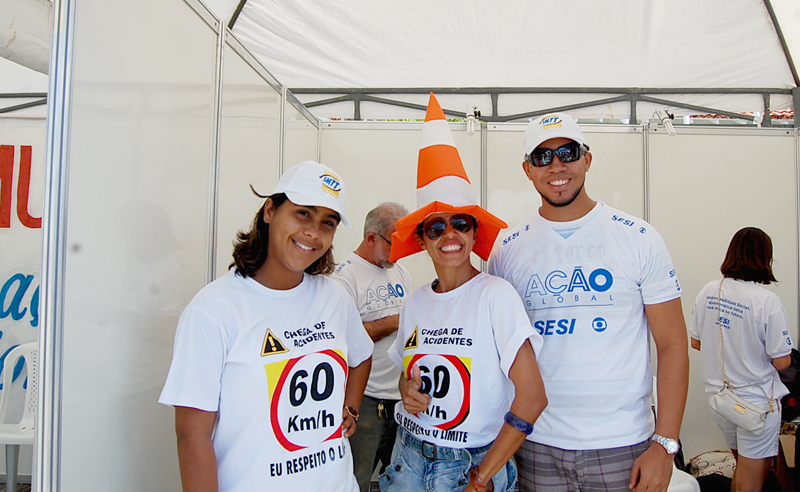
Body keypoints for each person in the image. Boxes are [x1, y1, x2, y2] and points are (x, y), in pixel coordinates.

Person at [489, 113, 689, 492]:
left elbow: (673, 344)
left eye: (568, 152)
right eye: (542, 157)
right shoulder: (506, 248)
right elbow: (496, 349)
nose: (557, 166)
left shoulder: (639, 238)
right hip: (535, 444)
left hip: (623, 446)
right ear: (527, 169)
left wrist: (665, 445)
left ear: (587, 159)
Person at [158, 161, 373, 492]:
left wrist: (351, 407)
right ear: (270, 210)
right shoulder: (214, 309)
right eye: (303, 213)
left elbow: (361, 355)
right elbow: (191, 435)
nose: (313, 233)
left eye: (327, 223)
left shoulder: (334, 297)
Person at [380, 93, 548, 492]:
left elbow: (532, 398)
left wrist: (482, 476)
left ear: (475, 232)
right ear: (422, 240)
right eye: (436, 227)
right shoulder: (416, 300)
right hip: (408, 456)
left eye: (461, 223)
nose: (450, 234)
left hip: (470, 467)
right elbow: (409, 372)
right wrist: (406, 389)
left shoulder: (496, 296)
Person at [689, 227, 793, 492]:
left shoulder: (709, 291)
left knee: (742, 468)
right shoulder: (767, 301)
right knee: (751, 479)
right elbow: (782, 362)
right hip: (755, 405)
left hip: (720, 399)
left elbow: (696, 342)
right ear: (764, 258)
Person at [331, 202, 412, 492]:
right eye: (394, 243)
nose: (400, 251)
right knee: (357, 479)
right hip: (365, 403)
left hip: (401, 402)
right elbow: (344, 340)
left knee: (401, 482)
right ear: (371, 239)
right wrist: (394, 321)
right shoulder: (343, 277)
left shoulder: (400, 272)